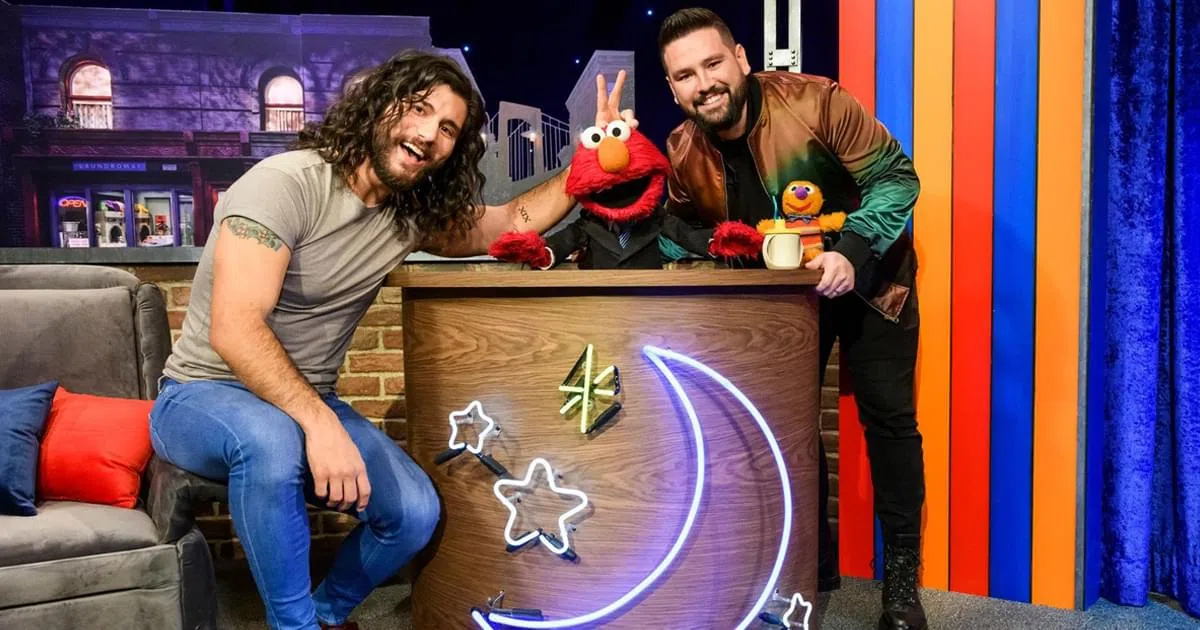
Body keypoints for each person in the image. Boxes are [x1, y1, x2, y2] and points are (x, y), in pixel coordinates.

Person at [149, 50, 634, 630]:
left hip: (307, 400)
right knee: (271, 442)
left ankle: (325, 616)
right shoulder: (284, 183)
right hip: (200, 395)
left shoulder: (409, 215)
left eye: (448, 128)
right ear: (379, 106)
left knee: (413, 514)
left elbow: (510, 222)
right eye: (419, 109)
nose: (429, 134)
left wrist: (589, 161)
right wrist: (320, 425)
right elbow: (235, 328)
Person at [656, 9, 926, 630]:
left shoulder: (816, 101)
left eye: (713, 63)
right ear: (673, 88)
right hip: (782, 304)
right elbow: (675, 229)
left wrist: (850, 251)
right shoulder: (681, 149)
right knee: (789, 429)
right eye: (686, 75)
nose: (704, 84)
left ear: (741, 59)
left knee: (889, 421)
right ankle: (814, 564)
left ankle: (901, 583)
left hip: (872, 282)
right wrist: (722, 246)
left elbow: (895, 178)